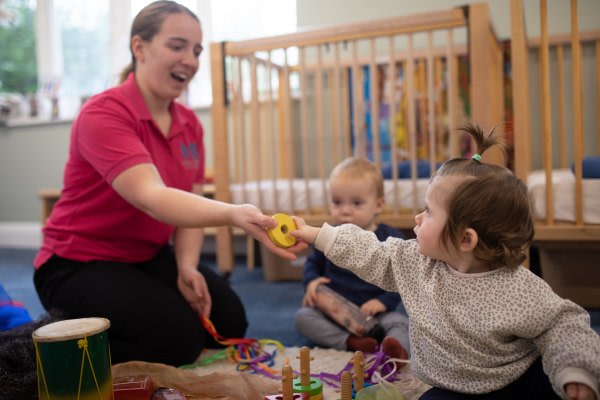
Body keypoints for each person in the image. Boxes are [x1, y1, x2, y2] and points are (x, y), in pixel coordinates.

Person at [33, 1, 304, 367]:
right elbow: (152, 197)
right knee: (177, 342)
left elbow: (187, 206)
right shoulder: (104, 113)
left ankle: (109, 321)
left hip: (143, 255)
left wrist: (187, 267)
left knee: (227, 320)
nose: (190, 60)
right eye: (177, 46)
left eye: (195, 50)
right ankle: (51, 350)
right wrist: (233, 214)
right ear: (139, 48)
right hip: (76, 262)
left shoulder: (189, 123)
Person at [291, 123, 600, 400]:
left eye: (428, 211)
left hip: (516, 380)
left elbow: (564, 325)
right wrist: (315, 234)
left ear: (465, 240)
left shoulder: (519, 288)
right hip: (452, 388)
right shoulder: (414, 261)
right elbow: (371, 252)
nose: (417, 217)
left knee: (560, 380)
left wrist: (576, 373)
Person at [294, 157, 410, 359]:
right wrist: (311, 281)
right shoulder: (329, 238)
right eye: (337, 202)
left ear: (378, 205)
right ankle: (350, 343)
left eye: (356, 203)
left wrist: (382, 302)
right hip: (334, 313)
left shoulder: (390, 239)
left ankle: (395, 353)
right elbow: (312, 263)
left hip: (375, 314)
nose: (345, 210)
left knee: (401, 323)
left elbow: (403, 278)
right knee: (303, 317)